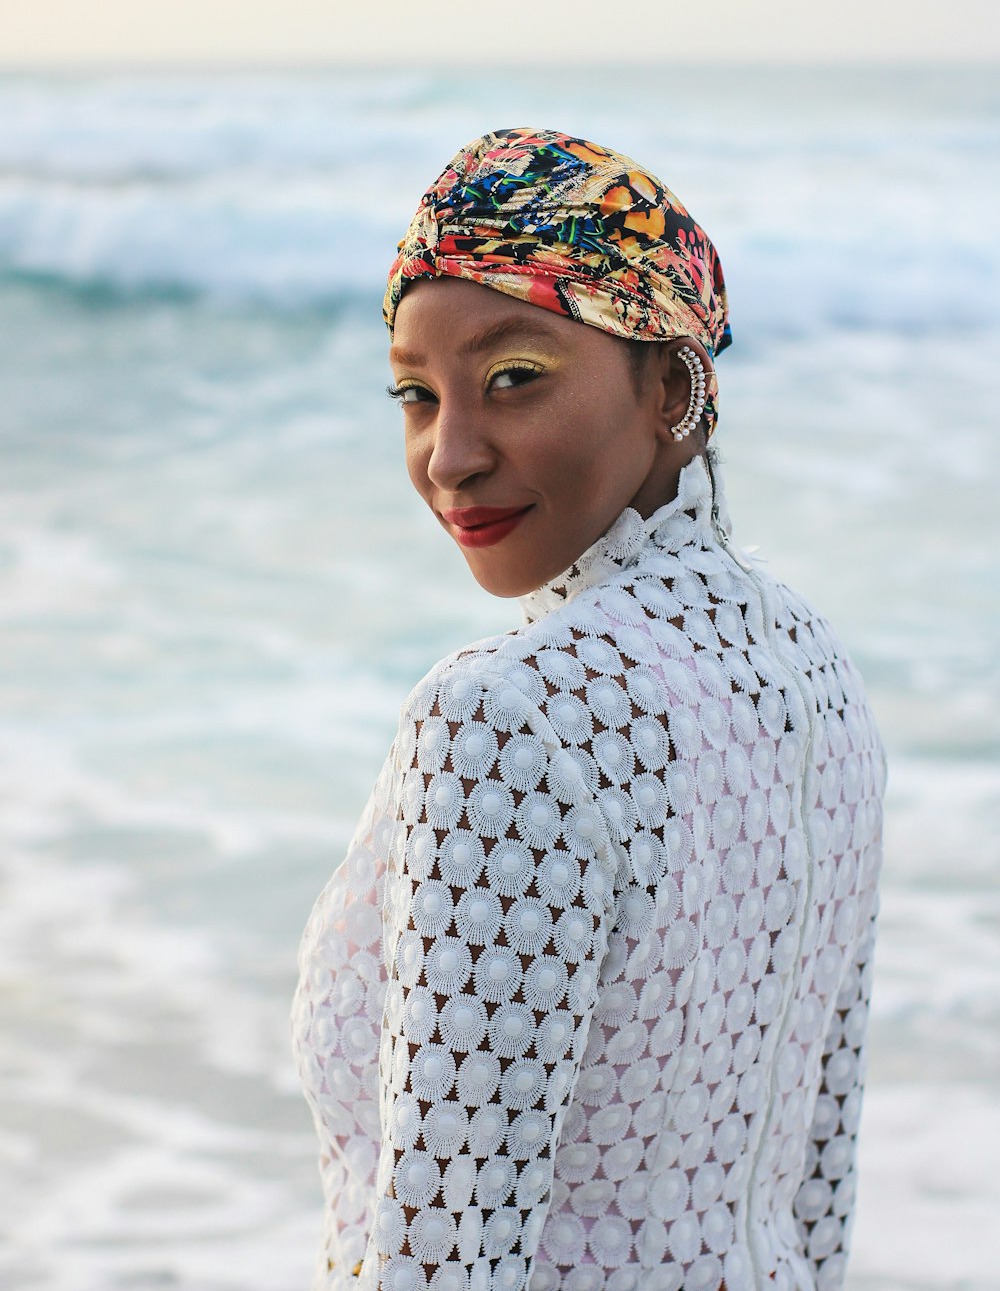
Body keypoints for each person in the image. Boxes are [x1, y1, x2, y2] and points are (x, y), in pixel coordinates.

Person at [291, 127, 887, 1291]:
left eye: (513, 378)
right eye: (416, 395)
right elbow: (820, 1187)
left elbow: (450, 1255)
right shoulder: (818, 673)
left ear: (671, 385)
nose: (447, 456)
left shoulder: (505, 717)